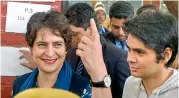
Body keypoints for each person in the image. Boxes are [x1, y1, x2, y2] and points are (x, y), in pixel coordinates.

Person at [19, 3, 130, 98]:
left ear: (91, 29)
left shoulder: (119, 57)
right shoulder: (72, 49)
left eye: (74, 34)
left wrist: (99, 75)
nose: (69, 39)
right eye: (42, 45)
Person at [13, 11, 91, 98]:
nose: (50, 53)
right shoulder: (19, 84)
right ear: (31, 48)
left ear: (66, 48)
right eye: (42, 44)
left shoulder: (84, 89)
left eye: (57, 44)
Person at [122, 11, 178, 98]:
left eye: (139, 52)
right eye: (129, 49)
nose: (129, 59)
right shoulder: (130, 84)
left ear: (166, 55)